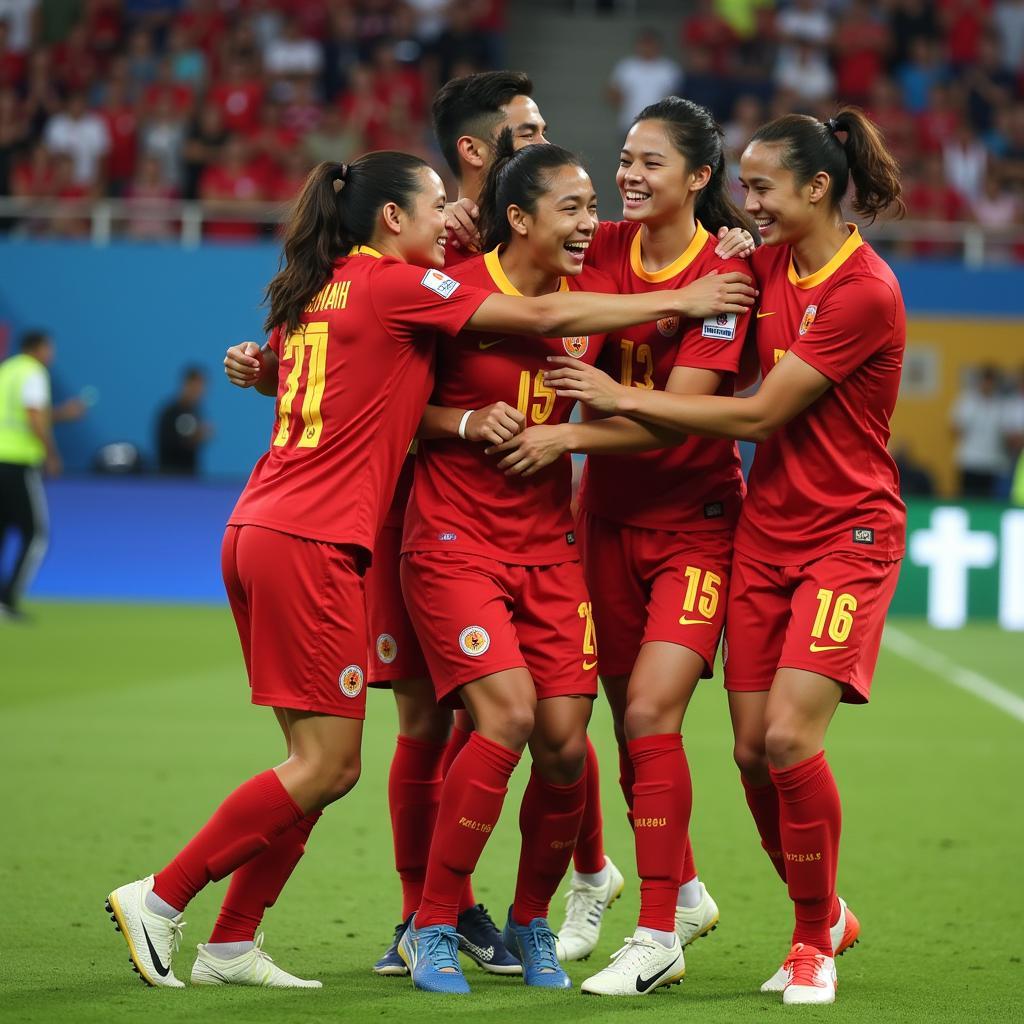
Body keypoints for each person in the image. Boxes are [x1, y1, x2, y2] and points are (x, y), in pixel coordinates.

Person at [120, 151, 756, 992]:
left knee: (327, 761)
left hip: (275, 522)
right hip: (328, 538)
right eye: (435, 207)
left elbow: (314, 370)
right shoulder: (405, 285)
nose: (449, 218)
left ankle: (234, 938)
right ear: (398, 218)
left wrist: (725, 249)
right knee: (335, 763)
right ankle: (165, 898)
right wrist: (684, 294)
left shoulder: (322, 285)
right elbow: (536, 316)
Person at [541, 107, 906, 1006]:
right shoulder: (754, 261)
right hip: (766, 537)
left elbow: (753, 415)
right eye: (746, 187)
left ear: (818, 188)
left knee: (786, 736)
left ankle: (808, 940)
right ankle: (821, 914)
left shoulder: (862, 290)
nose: (751, 204)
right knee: (749, 752)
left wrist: (604, 405)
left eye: (763, 188)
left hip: (846, 536)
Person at [397, 136, 757, 997]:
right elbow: (389, 406)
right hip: (456, 541)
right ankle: (434, 924)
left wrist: (729, 248)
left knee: (566, 747)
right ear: (517, 217)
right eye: (575, 207)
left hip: (552, 545)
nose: (593, 219)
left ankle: (530, 923)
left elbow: (628, 345)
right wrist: (458, 423)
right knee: (509, 717)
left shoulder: (590, 283)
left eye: (596, 205)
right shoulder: (456, 284)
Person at [0, 329, 85, 620]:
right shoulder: (34, 372)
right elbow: (34, 415)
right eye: (50, 348)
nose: (52, 354)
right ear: (38, 348)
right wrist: (51, 453)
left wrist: (62, 413)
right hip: (19, 462)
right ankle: (8, 600)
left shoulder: (7, 370)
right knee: (35, 534)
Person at [951, 365, 1008, 498]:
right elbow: (954, 429)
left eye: (991, 382)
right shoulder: (967, 401)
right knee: (968, 501)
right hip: (969, 460)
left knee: (990, 505)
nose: (988, 385)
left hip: (993, 462)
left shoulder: (1001, 404)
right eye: (985, 381)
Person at [156, 366, 212, 475]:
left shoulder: (195, 412)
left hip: (190, 477)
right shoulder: (169, 413)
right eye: (196, 386)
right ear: (186, 385)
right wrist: (195, 437)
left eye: (202, 386)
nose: (200, 391)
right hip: (169, 477)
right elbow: (170, 444)